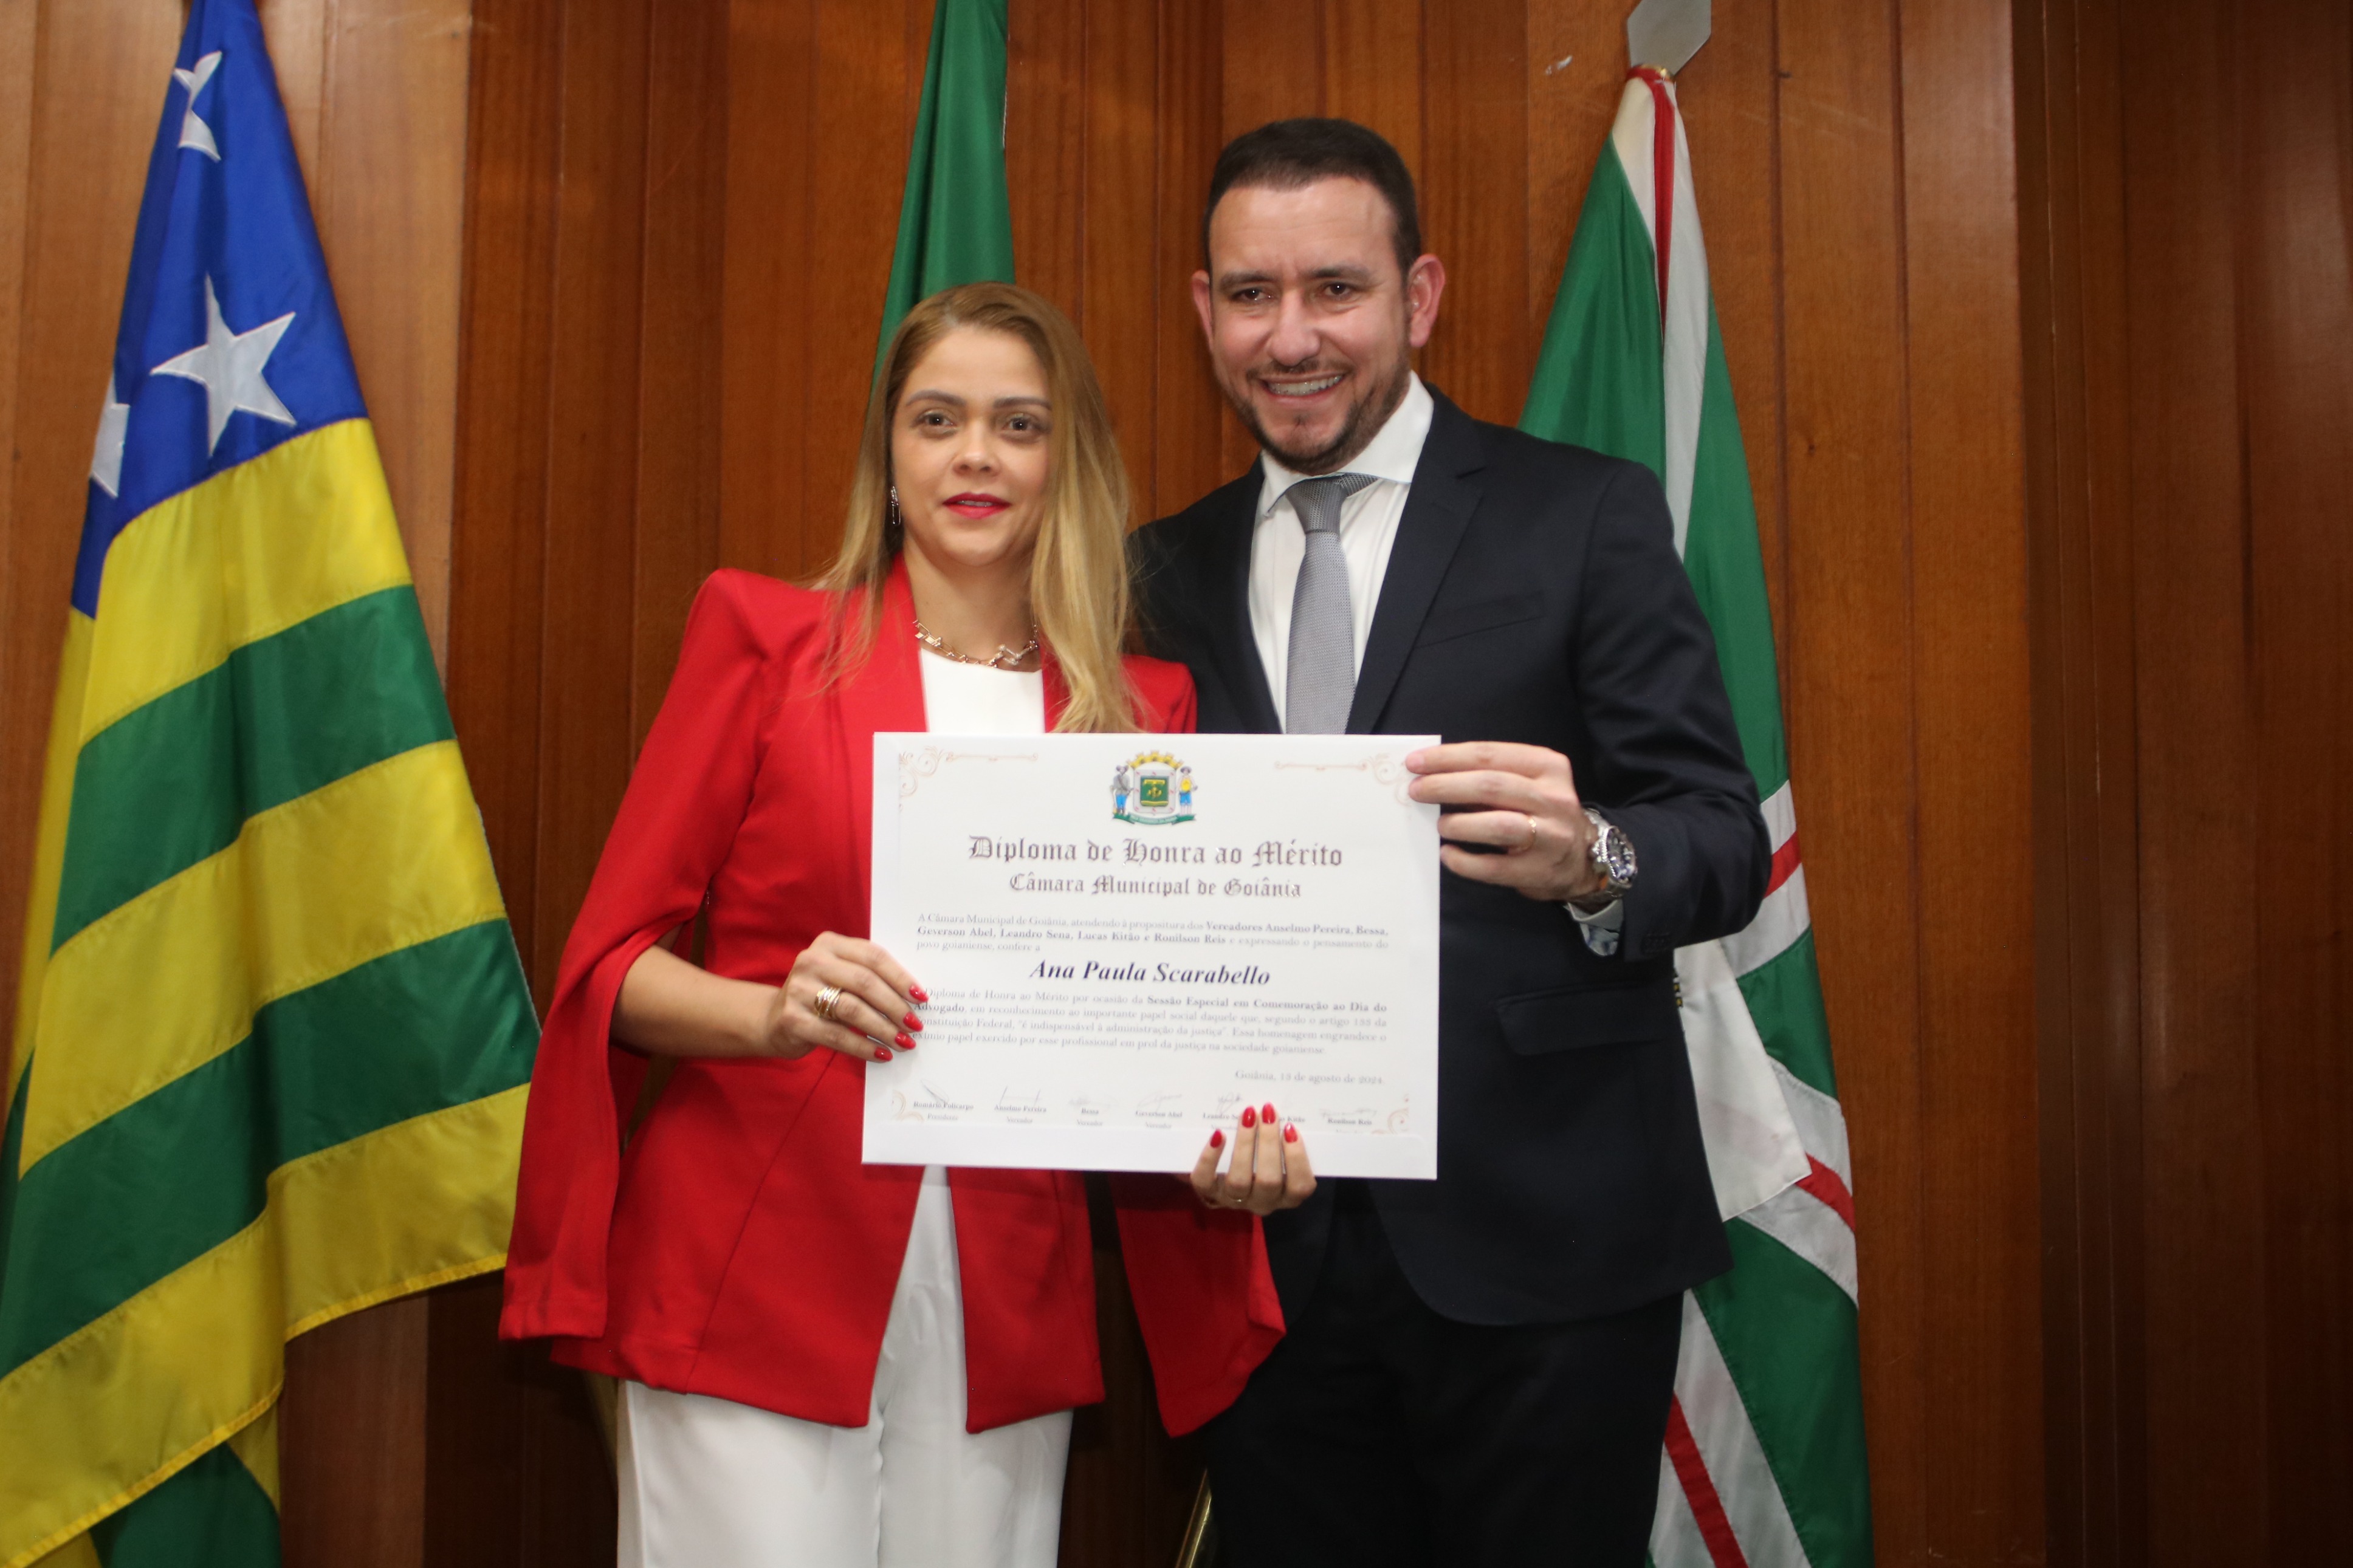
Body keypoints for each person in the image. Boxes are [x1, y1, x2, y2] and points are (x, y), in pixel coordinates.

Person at [1130, 119, 1772, 1565]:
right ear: (1205, 310)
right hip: (1267, 1264)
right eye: (1252, 295)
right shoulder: (1154, 570)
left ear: (1418, 297)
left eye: (1335, 290)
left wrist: (1592, 856)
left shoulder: (1582, 515)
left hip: (1548, 1252)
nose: (1292, 337)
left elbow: (1718, 838)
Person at [499, 282, 1210, 1568]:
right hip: (752, 1255)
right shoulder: (764, 641)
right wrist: (773, 1013)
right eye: (937, 420)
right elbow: (611, 971)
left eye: (1019, 424)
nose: (976, 455)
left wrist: (1227, 1132)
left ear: (1070, 462)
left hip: (1009, 1273)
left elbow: (1148, 1022)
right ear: (889, 453)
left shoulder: (1142, 713)